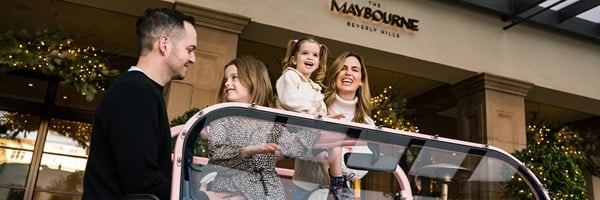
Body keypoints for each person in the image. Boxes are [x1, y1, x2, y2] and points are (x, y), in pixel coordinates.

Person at [82, 8, 197, 200]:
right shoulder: (136, 92)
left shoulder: (140, 90)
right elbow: (142, 181)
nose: (193, 59)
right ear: (164, 44)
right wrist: (196, 196)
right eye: (189, 50)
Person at [205, 57, 319, 199]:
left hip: (270, 194)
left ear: (254, 80)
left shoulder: (271, 123)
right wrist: (248, 151)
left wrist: (319, 123)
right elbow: (216, 159)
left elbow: (296, 146)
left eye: (234, 77)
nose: (227, 83)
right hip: (231, 193)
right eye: (226, 79)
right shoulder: (221, 118)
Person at [275, 36, 352, 199]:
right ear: (294, 59)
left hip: (308, 131)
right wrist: (313, 111)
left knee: (333, 144)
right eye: (305, 53)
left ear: (318, 62)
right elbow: (289, 100)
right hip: (293, 131)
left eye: (315, 55)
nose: (310, 57)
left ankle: (335, 182)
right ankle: (337, 181)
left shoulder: (315, 88)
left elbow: (320, 111)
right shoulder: (290, 76)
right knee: (332, 141)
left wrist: (328, 117)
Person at [323, 51, 376, 199]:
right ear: (335, 74)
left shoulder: (367, 122)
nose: (348, 73)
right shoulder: (319, 107)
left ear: (361, 81)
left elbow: (363, 167)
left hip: (341, 194)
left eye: (355, 70)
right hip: (309, 189)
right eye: (343, 68)